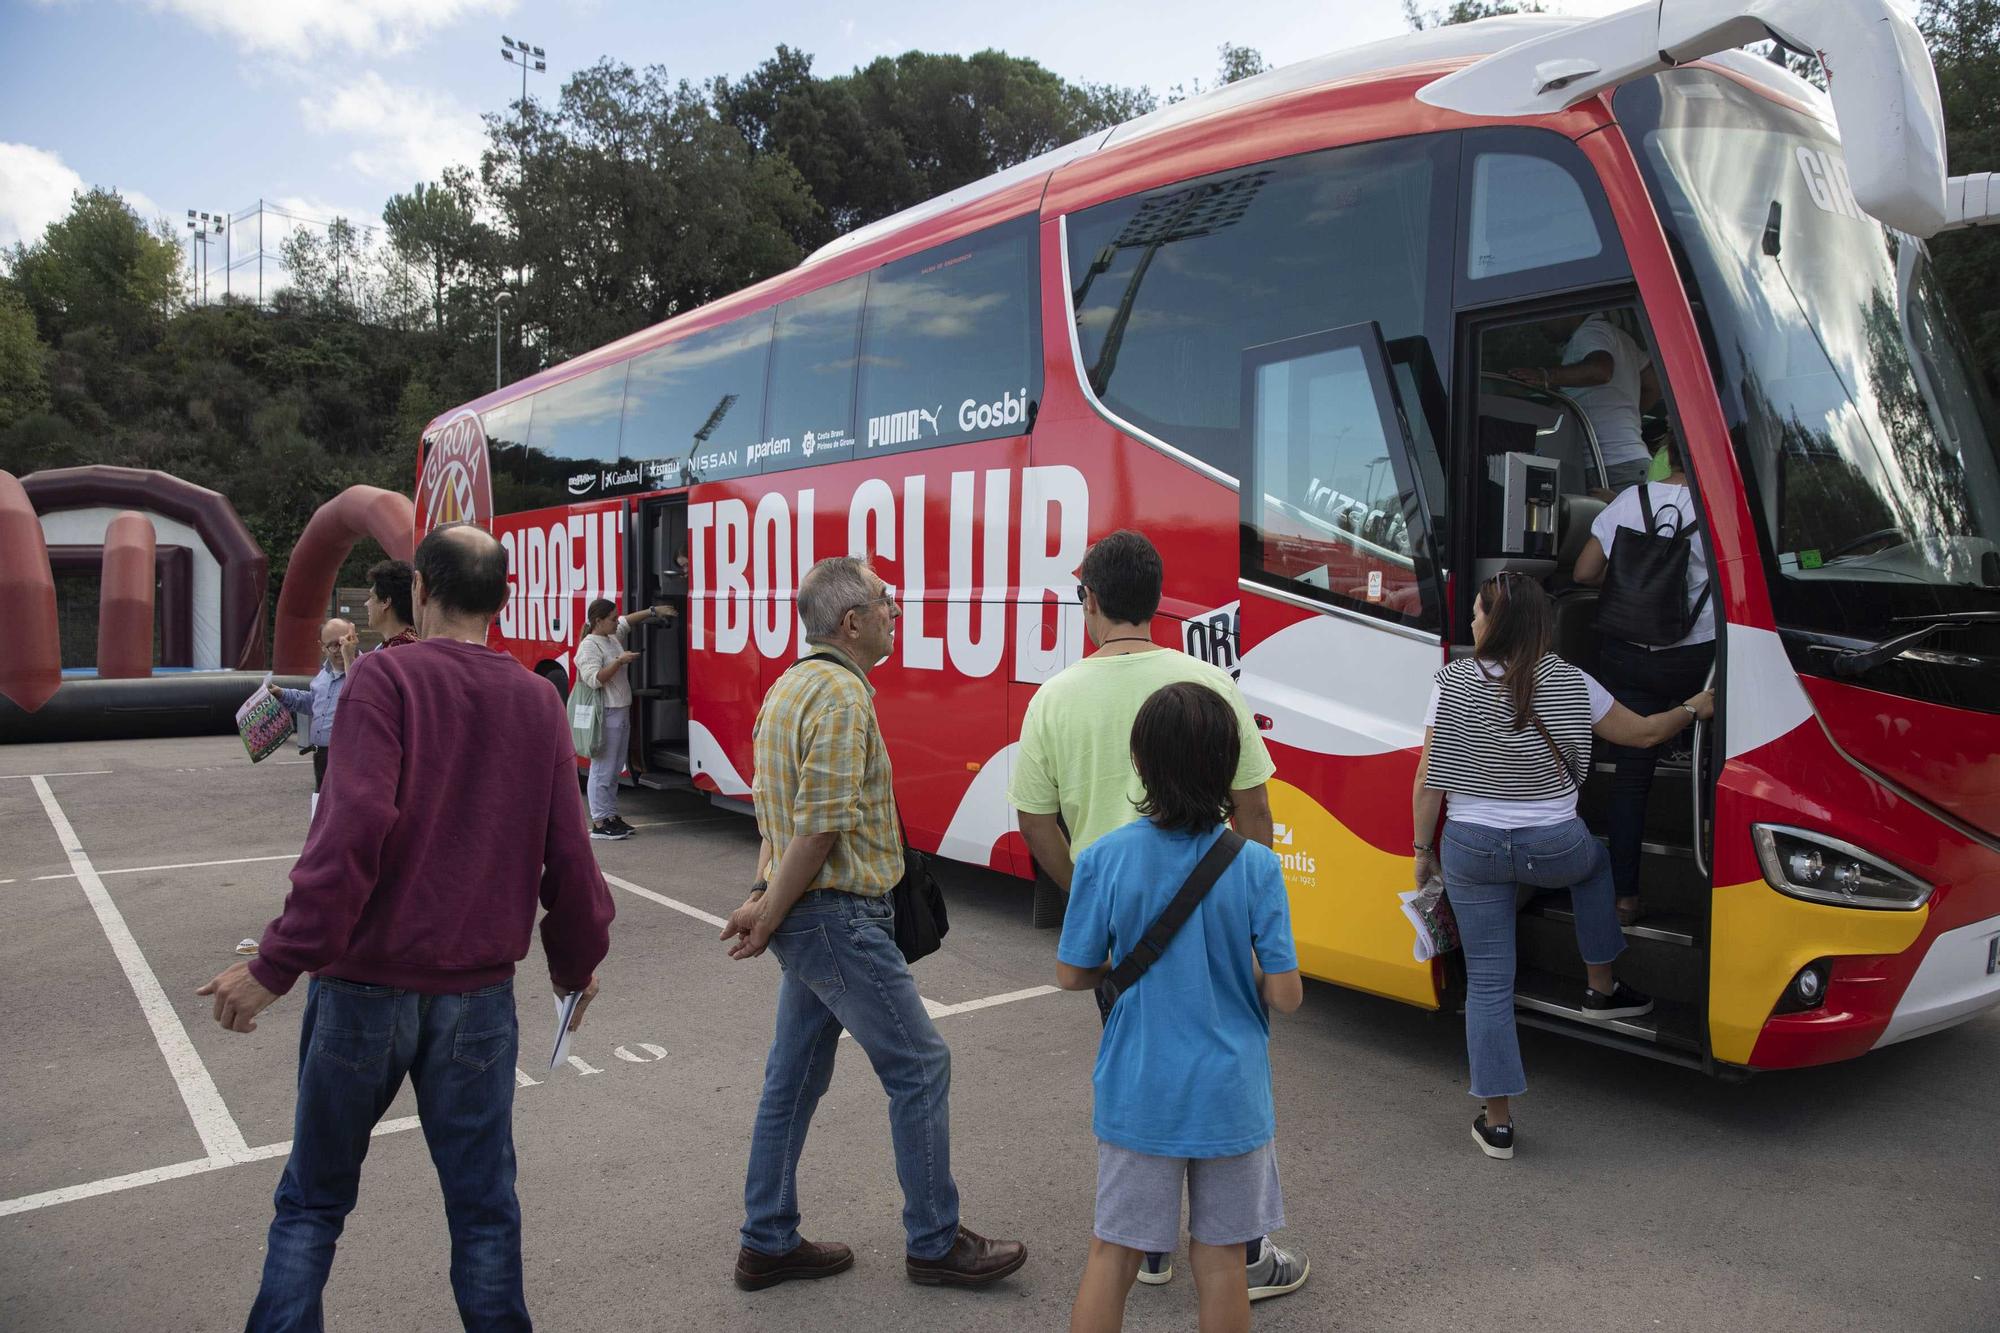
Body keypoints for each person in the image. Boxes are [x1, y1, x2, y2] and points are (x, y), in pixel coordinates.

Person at [197, 522, 616, 1330]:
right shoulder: (536, 699)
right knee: (485, 1210)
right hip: (480, 1000)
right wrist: (574, 963)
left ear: (419, 590)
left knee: (313, 1203)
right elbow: (571, 858)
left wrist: (277, 963)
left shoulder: (383, 683)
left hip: (361, 990)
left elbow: (349, 833)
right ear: (503, 599)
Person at [1008, 528, 1307, 1300]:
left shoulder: (1053, 697)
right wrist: (1242, 896)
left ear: (1094, 600)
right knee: (1212, 1107)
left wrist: (1093, 903)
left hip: (1121, 944)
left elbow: (1036, 819)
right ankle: (1237, 1250)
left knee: (1141, 1094)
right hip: (1216, 936)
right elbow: (1255, 807)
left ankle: (1148, 1246)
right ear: (1156, 598)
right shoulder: (1212, 689)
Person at [719, 555, 1026, 1293]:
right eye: (887, 602)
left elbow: (776, 819)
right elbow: (819, 830)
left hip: (808, 914)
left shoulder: (788, 688)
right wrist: (771, 913)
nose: (897, 611)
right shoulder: (844, 697)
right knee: (920, 1066)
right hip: (835, 916)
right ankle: (934, 1239)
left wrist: (765, 895)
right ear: (852, 622)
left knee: (790, 1081)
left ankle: (768, 1238)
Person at [1411, 572, 1712, 1159]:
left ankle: (1497, 1124)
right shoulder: (1574, 682)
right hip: (1555, 848)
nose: (1470, 622)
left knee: (1490, 983)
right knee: (1595, 863)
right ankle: (1601, 987)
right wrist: (1695, 706)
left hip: (1471, 849)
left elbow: (1427, 782)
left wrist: (1423, 856)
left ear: (1495, 624)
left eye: (1475, 613)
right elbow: (1646, 735)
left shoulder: (1451, 682)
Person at [1058, 682, 1303, 1333]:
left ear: (1141, 763)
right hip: (1229, 1091)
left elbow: (1073, 970)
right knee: (1221, 1259)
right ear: (1227, 766)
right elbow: (1286, 993)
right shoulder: (1254, 866)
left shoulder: (1104, 857)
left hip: (1140, 1086)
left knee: (1112, 1252)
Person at [1572, 440, 1717, 924]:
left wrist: (1632, 582)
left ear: (1667, 456)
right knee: (1717, 761)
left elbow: (1585, 571)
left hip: (1628, 654)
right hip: (1693, 661)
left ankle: (1625, 897)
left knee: (1632, 779)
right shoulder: (1719, 505)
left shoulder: (1628, 501)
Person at [1509, 311, 1660, 491]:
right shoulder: (1619, 337)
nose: (1539, 326)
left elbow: (1601, 370)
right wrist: (1625, 419)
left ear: (1565, 310)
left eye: (1543, 316)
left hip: (1608, 466)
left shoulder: (1589, 333)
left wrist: (1546, 376)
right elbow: (1653, 385)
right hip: (1633, 460)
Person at [573, 598, 676, 840]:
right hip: (606, 711)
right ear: (598, 621)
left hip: (619, 710)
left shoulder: (609, 637)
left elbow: (626, 622)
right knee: (603, 769)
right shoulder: (589, 646)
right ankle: (599, 821)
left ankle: (610, 815)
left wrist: (652, 611)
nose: (615, 620)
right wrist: (619, 662)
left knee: (614, 767)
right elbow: (595, 679)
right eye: (611, 618)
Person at [269, 618, 356, 793]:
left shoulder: (364, 669)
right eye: (333, 645)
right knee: (323, 809)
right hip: (321, 756)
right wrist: (282, 694)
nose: (340, 650)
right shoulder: (323, 676)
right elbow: (313, 703)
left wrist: (351, 661)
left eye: (344, 642)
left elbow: (361, 695)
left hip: (349, 756)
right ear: (322, 647)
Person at [365, 559, 418, 648]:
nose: (366, 603)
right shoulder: (423, 647)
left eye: (372, 597)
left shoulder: (381, 657)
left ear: (385, 602)